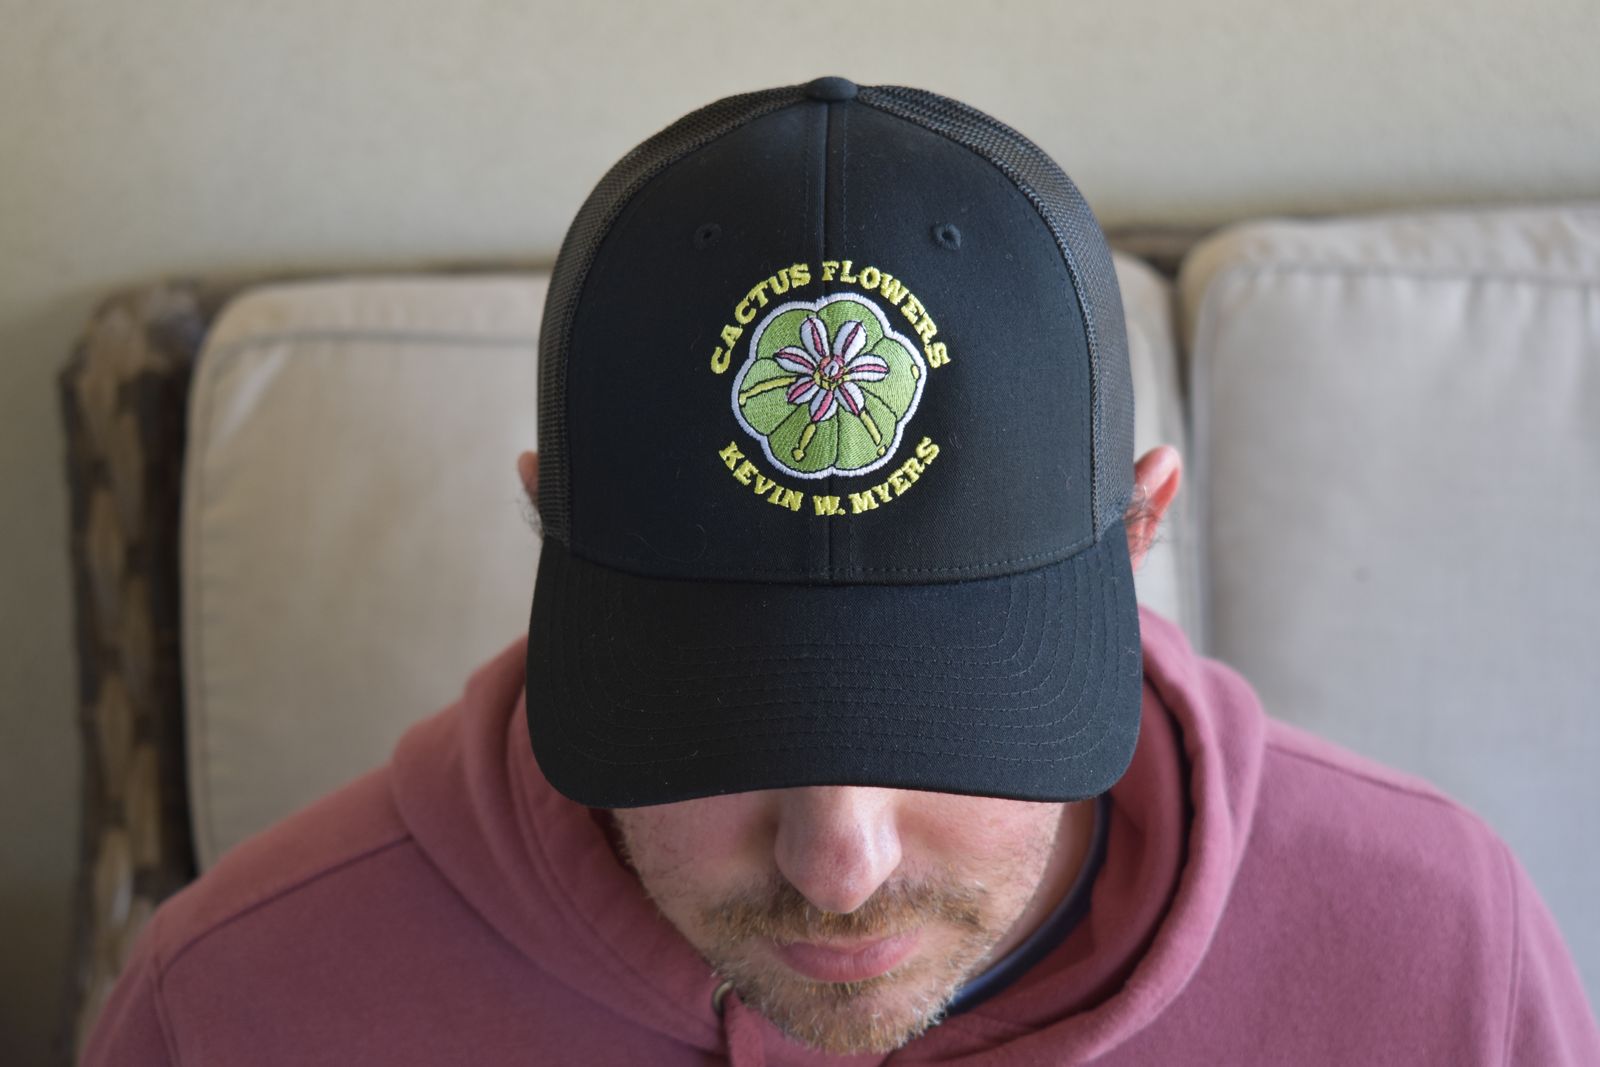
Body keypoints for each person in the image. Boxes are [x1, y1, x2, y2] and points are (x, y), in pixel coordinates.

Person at [83, 77, 1599, 1066]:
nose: (839, 866)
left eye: (950, 726)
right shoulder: (241, 1008)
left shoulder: (1437, 965)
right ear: (550, 530)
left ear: (1140, 535)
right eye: (718, 726)